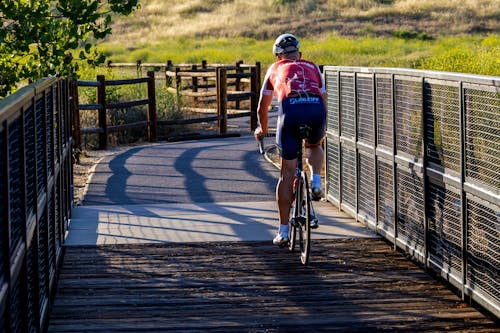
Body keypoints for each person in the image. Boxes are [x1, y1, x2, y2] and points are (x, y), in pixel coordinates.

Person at [254, 33, 327, 247]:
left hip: (290, 113)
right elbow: (324, 98)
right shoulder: (313, 67)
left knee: (286, 174)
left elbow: (262, 106)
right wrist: (322, 124)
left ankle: (283, 232)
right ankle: (315, 181)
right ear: (300, 53)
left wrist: (262, 128)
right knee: (313, 145)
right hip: (316, 111)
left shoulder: (274, 69)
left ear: (278, 57)